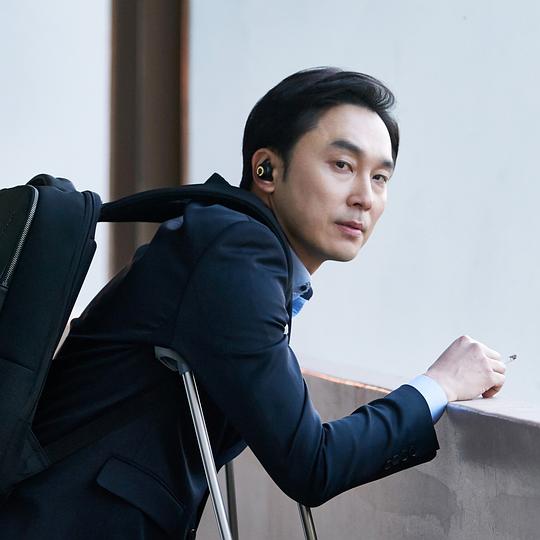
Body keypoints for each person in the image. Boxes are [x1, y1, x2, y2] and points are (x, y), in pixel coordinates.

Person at [0, 67, 506, 539]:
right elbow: (312, 463)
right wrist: (438, 385)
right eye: (342, 165)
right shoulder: (235, 253)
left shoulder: (224, 242)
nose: (364, 197)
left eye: (380, 178)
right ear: (266, 169)